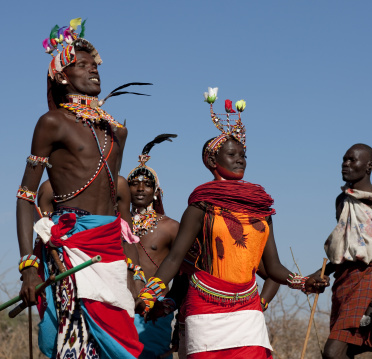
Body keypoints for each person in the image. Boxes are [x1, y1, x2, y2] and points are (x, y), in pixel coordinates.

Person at [136, 89, 328, 359]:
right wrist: (150, 292)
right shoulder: (201, 204)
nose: (240, 159)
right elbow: (176, 258)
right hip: (205, 307)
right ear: (212, 161)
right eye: (232, 154)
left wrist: (302, 281)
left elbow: (272, 266)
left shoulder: (260, 207)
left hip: (248, 310)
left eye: (243, 155)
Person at [16, 18, 143, 358]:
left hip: (110, 249)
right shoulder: (52, 123)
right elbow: (26, 196)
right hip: (70, 246)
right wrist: (28, 266)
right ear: (61, 75)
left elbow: (119, 209)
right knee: (72, 339)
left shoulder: (118, 132)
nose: (93, 71)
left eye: (94, 65)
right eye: (81, 65)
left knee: (123, 343)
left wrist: (133, 271)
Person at [315, 143, 372, 359]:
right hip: (344, 280)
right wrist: (322, 272)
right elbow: (347, 248)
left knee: (332, 352)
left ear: (369, 166)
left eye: (352, 160)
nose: (346, 164)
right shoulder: (341, 200)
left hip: (369, 275)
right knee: (345, 350)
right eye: (344, 159)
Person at [127, 134, 185, 358]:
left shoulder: (170, 227)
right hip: (121, 303)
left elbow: (182, 274)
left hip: (155, 308)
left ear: (156, 191)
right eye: (134, 183)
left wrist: (171, 307)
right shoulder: (117, 224)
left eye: (147, 184)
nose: (140, 188)